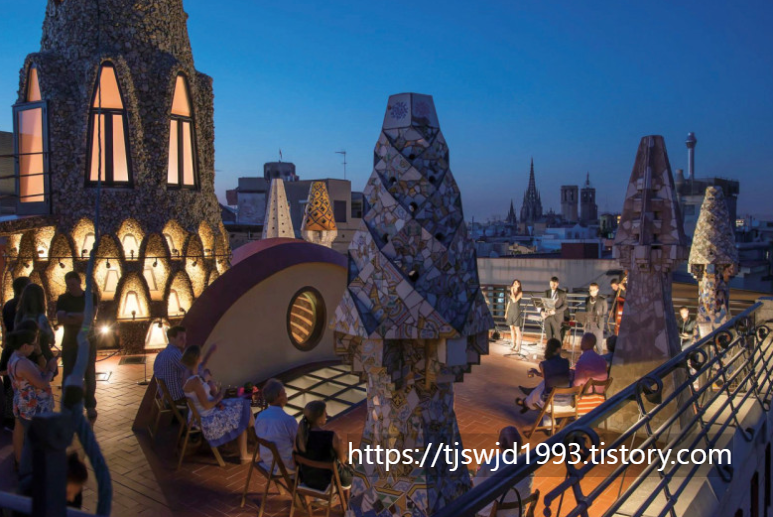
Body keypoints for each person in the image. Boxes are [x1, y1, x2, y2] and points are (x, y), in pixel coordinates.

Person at [181, 345, 254, 462]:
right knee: (241, 415)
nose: (202, 356)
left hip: (205, 410)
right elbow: (206, 405)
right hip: (207, 416)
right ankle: (245, 454)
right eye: (201, 354)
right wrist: (218, 397)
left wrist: (210, 352)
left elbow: (203, 365)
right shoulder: (195, 381)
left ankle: (254, 436)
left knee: (243, 403)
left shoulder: (189, 373)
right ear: (197, 358)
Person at [7, 329, 54, 465]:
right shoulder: (22, 363)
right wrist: (51, 369)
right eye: (34, 344)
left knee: (24, 433)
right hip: (33, 407)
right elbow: (41, 382)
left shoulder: (14, 357)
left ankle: (21, 463)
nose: (35, 347)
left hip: (24, 403)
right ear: (25, 346)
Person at [56, 272, 98, 419]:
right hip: (69, 342)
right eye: (68, 285)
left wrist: (70, 316)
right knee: (68, 374)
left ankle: (90, 405)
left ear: (79, 282)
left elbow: (90, 317)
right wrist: (80, 317)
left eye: (73, 284)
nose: (71, 287)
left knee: (89, 374)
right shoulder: (63, 298)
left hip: (88, 341)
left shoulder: (90, 297)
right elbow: (60, 318)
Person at [472, 426, 533, 517]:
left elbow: (475, 488)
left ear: (500, 445)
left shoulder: (491, 464)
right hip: (518, 514)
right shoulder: (529, 463)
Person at [295, 400, 353, 491]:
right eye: (324, 412)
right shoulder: (330, 436)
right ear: (319, 417)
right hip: (330, 482)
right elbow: (342, 459)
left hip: (309, 480)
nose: (326, 414)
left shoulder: (300, 437)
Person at [1, 277, 30, 430]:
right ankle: (17, 418)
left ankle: (9, 418)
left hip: (10, 347)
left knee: (10, 385)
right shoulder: (24, 306)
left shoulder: (8, 305)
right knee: (20, 384)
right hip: (19, 348)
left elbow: (7, 326)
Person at [515, 338, 572, 413]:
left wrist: (537, 373)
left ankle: (526, 402)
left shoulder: (543, 364)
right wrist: (537, 373)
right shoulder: (566, 362)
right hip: (566, 402)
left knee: (544, 386)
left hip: (550, 403)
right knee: (545, 383)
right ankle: (527, 401)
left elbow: (546, 377)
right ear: (558, 349)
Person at [254, 378, 297, 473]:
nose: (286, 395)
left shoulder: (260, 416)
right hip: (285, 465)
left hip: (267, 462)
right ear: (280, 394)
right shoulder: (288, 420)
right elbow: (299, 443)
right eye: (285, 392)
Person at [15, 284, 57, 377]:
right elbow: (51, 338)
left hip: (24, 357)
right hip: (40, 356)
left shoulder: (19, 316)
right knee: (42, 380)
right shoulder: (41, 318)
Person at [153, 326, 189, 403]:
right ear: (172, 338)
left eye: (185, 338)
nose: (184, 341)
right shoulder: (174, 354)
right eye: (181, 338)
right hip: (177, 398)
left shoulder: (161, 354)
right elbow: (190, 370)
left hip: (166, 398)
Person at [540, 277, 567, 342]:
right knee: (549, 337)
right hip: (547, 317)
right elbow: (542, 304)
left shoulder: (562, 293)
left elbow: (565, 305)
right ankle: (550, 348)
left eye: (554, 284)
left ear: (557, 284)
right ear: (550, 283)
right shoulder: (546, 292)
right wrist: (542, 312)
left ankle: (558, 348)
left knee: (558, 337)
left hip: (557, 318)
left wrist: (555, 311)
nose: (553, 285)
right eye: (551, 284)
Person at [584, 283, 608, 354]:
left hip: (597, 325)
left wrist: (598, 315)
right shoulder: (587, 299)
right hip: (588, 325)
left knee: (598, 345)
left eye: (593, 290)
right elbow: (586, 310)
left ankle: (599, 358)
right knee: (587, 344)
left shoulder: (602, 300)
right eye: (590, 290)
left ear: (597, 290)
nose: (591, 291)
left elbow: (604, 312)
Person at [505, 279, 524, 354]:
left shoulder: (520, 293)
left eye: (516, 283)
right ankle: (513, 343)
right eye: (514, 283)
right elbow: (509, 303)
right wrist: (506, 313)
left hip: (516, 311)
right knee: (511, 328)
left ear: (519, 285)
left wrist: (512, 291)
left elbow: (514, 300)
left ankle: (518, 346)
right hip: (510, 311)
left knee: (517, 329)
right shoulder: (511, 293)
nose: (514, 284)